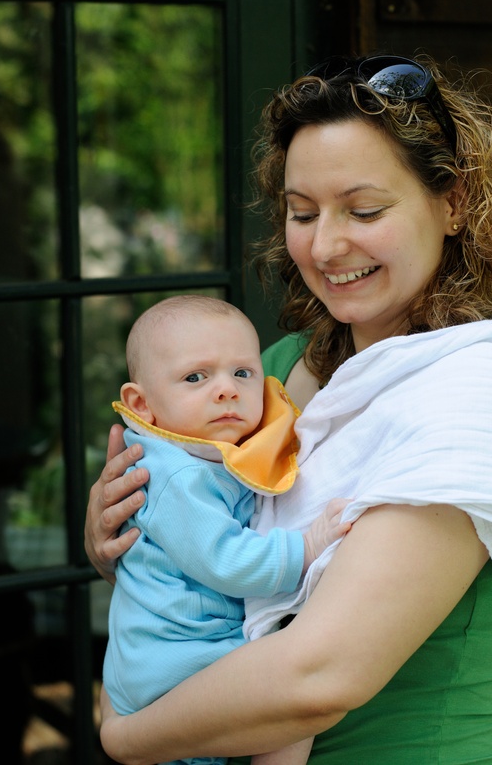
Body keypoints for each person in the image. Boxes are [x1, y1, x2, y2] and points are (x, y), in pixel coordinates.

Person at [85, 52, 492, 764]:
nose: (325, 245)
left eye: (363, 210)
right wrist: (122, 539)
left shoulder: (478, 392)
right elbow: (202, 557)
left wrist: (122, 735)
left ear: (454, 202)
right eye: (302, 212)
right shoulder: (274, 373)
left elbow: (320, 677)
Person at [102, 294, 351, 765]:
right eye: (195, 377)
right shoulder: (178, 476)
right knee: (296, 700)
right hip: (175, 661)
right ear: (141, 403)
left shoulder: (205, 453)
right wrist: (306, 546)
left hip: (171, 652)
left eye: (242, 373)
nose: (226, 390)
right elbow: (225, 560)